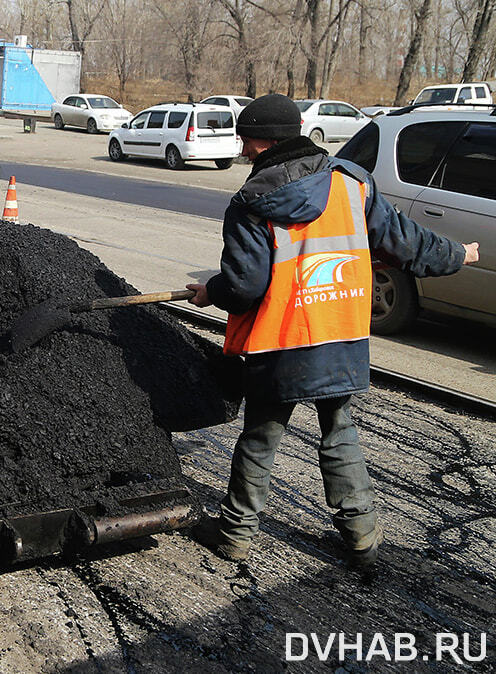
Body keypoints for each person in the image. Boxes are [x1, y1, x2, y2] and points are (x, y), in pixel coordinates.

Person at [186, 94, 480, 570]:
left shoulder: (252, 202)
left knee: (261, 437)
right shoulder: (352, 182)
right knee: (339, 431)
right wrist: (457, 255)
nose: (241, 150)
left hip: (280, 339)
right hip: (339, 334)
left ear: (258, 142)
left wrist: (210, 291)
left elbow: (243, 287)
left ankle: (235, 534)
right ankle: (362, 536)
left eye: (244, 140)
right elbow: (406, 242)